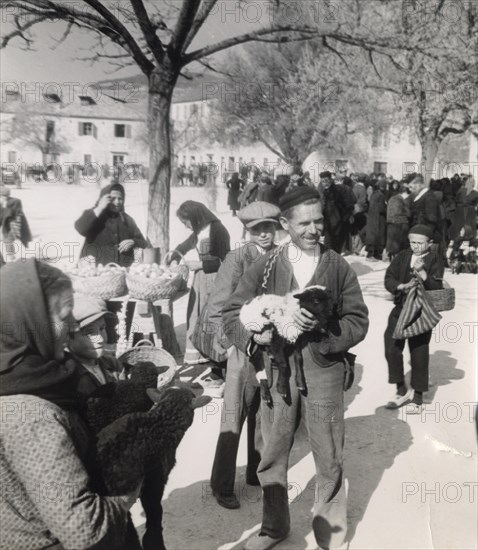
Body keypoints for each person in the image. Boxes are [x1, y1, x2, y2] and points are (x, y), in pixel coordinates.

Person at [222, 187, 369, 550]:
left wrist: (325, 333)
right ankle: (274, 527)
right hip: (278, 374)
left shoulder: (337, 266)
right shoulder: (266, 265)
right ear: (285, 224)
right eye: (304, 223)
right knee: (272, 451)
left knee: (328, 451)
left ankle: (330, 530)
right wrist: (258, 336)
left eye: (319, 220)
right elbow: (230, 315)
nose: (313, 229)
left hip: (325, 371)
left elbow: (358, 320)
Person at [0, 259, 139, 550]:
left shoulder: (35, 376)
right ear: (31, 319)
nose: (73, 326)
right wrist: (126, 494)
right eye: (65, 316)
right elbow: (82, 528)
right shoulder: (30, 415)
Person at [209, 202, 281, 510]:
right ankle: (222, 483)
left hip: (272, 347)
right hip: (240, 345)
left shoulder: (283, 257)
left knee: (265, 411)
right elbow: (217, 305)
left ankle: (256, 472)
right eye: (256, 230)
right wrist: (224, 344)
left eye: (268, 228)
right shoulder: (237, 259)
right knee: (234, 415)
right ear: (246, 231)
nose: (263, 235)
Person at [384, 225, 444, 414]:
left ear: (430, 243)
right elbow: (389, 277)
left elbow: (437, 288)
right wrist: (400, 286)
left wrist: (424, 274)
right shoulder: (403, 256)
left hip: (421, 312)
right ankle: (401, 388)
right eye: (412, 242)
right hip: (401, 309)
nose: (416, 246)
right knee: (391, 348)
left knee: (419, 352)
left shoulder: (435, 259)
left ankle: (418, 396)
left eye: (420, 243)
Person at [173, 201, 230, 369]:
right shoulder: (198, 231)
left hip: (215, 280)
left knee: (210, 318)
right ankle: (199, 355)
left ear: (195, 217)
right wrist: (174, 255)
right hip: (201, 280)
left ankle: (216, 361)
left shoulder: (218, 230)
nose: (186, 226)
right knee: (196, 316)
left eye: (186, 222)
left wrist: (201, 265)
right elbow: (185, 245)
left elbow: (225, 260)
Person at [75, 182, 147, 268]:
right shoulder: (95, 215)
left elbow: (143, 242)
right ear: (104, 199)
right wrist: (99, 207)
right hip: (94, 271)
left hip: (120, 273)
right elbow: (80, 228)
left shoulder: (128, 220)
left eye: (120, 198)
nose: (117, 202)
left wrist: (133, 242)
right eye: (113, 198)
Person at [0, 184, 32, 264]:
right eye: (3, 196)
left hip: (14, 224)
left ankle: (12, 257)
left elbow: (17, 214)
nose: (4, 197)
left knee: (9, 239)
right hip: (6, 225)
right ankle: (11, 257)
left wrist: (15, 226)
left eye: (6, 196)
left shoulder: (15, 201)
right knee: (7, 240)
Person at [386, 183, 411, 261]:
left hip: (391, 222)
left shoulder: (392, 198)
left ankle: (392, 257)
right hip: (401, 223)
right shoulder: (403, 200)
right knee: (400, 244)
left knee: (392, 243)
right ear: (405, 192)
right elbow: (409, 214)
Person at [365, 181, 387, 261]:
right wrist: (387, 209)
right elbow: (381, 208)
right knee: (378, 237)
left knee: (372, 236)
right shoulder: (381, 195)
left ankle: (370, 254)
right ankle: (375, 255)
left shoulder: (374, 194)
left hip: (372, 218)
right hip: (378, 219)